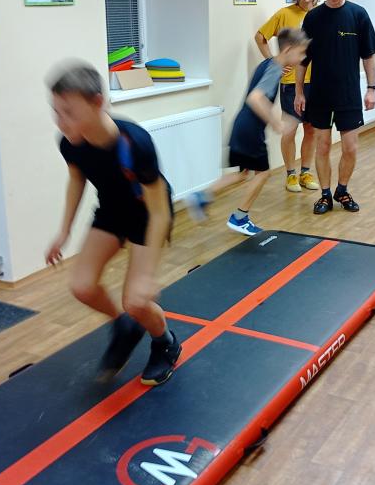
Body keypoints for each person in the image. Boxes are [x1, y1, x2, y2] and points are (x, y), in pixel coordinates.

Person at [44, 60, 180, 386]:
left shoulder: (135, 142)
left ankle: (165, 342)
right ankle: (124, 326)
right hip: (112, 211)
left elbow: (160, 211)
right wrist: (63, 231)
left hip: (148, 215)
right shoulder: (70, 143)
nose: (60, 121)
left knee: (136, 300)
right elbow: (77, 180)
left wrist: (147, 275)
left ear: (97, 103)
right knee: (82, 287)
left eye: (69, 112)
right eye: (56, 111)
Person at [186, 28, 309, 235]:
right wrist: (276, 123)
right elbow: (255, 98)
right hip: (251, 130)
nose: (303, 58)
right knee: (264, 173)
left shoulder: (268, 64)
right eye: (301, 52)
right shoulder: (274, 69)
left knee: (243, 174)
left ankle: (201, 196)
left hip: (241, 126)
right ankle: (240, 217)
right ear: (288, 50)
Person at [295, 0, 375, 215]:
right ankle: (325, 195)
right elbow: (302, 60)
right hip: (320, 94)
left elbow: (368, 56)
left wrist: (372, 88)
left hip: (348, 94)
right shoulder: (313, 18)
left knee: (350, 148)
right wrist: (299, 92)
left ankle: (341, 190)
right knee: (322, 146)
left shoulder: (358, 15)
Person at [255, 0, 322, 193]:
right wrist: (274, 63)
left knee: (311, 130)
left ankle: (305, 172)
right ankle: (291, 174)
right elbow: (260, 37)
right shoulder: (285, 14)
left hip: (316, 81)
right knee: (290, 130)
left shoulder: (322, 14)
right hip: (292, 83)